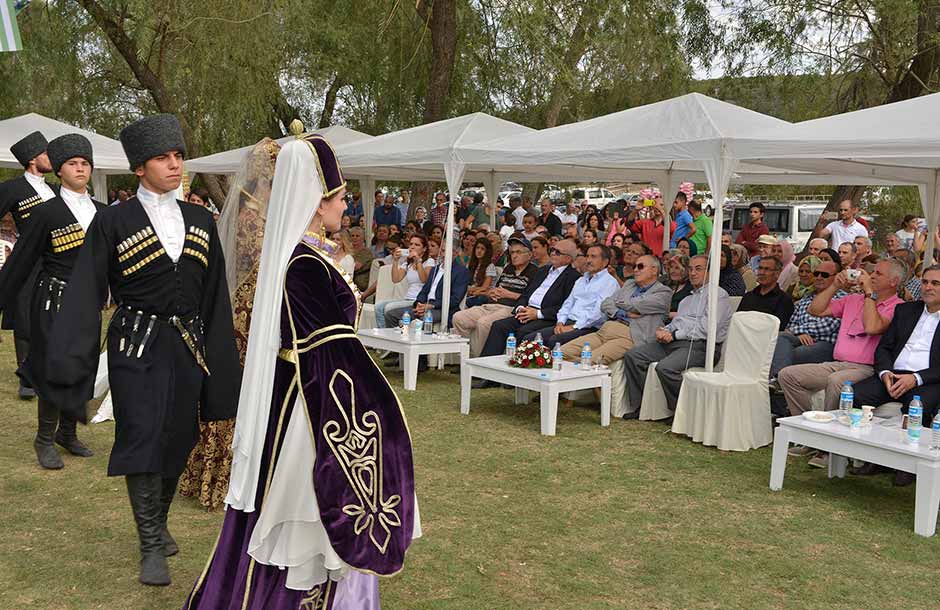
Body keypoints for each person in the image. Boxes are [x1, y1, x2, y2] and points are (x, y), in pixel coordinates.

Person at [185, 133, 418, 609]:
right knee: (305, 512)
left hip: (299, 394)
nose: (344, 205)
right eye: (339, 197)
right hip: (307, 407)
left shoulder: (306, 254)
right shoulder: (305, 264)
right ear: (316, 203)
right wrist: (378, 409)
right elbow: (329, 349)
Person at [46, 114, 240, 586]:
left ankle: (159, 518)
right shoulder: (114, 221)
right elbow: (88, 289)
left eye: (178, 156)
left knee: (179, 439)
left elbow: (215, 295)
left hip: (188, 346)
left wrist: (222, 363)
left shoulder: (200, 220)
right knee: (141, 437)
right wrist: (70, 356)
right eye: (163, 158)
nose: (175, 166)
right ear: (139, 168)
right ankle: (150, 542)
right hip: (136, 345)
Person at [181, 137, 281, 511]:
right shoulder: (250, 215)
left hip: (264, 309)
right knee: (237, 388)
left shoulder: (270, 211)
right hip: (246, 312)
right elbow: (258, 266)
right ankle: (218, 473)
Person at [0, 134, 105, 469]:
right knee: (53, 366)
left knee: (82, 365)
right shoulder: (47, 213)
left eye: (85, 163)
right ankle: (44, 438)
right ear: (59, 170)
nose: (80, 169)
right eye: (73, 163)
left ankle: (68, 433)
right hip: (52, 299)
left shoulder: (103, 214)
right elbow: (22, 261)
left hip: (88, 303)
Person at [849, 265, 940, 485]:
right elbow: (884, 348)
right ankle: (871, 457)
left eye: (935, 283)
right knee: (856, 395)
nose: (928, 287)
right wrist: (885, 373)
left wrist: (916, 378)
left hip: (927, 379)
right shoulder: (906, 310)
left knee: (919, 408)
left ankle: (907, 465)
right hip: (893, 374)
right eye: (925, 282)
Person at [778, 259, 906, 416]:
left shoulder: (898, 307)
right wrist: (834, 286)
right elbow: (815, 310)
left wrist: (868, 293)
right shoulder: (853, 299)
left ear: (894, 281)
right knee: (788, 375)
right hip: (837, 363)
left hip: (866, 369)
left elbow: (872, 327)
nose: (871, 276)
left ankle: (828, 432)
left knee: (837, 381)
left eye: (878, 273)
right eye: (872, 272)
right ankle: (806, 424)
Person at [623, 255, 733, 415]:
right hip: (675, 342)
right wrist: (665, 330)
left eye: (698, 269)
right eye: (690, 269)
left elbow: (707, 328)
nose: (693, 273)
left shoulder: (717, 294)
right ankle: (642, 407)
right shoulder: (686, 299)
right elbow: (677, 323)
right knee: (633, 356)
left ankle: (684, 413)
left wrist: (674, 335)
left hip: (701, 346)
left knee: (666, 368)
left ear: (710, 272)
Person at [0, 131, 58, 400]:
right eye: (47, 154)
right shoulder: (12, 189)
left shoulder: (56, 190)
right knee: (24, 315)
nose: (52, 159)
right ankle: (25, 375)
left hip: (57, 260)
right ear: (33, 159)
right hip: (28, 260)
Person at [561, 254, 671, 370]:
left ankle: (587, 377)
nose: (635, 270)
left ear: (654, 270)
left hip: (630, 335)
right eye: (634, 266)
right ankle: (582, 372)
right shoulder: (630, 284)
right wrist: (622, 312)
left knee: (589, 361)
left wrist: (618, 302)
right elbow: (605, 303)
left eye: (640, 266)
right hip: (605, 330)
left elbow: (636, 305)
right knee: (561, 353)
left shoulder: (663, 292)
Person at [477, 239, 580, 359]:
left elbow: (564, 307)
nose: (552, 253)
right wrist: (520, 308)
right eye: (552, 250)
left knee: (523, 332)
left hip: (545, 317)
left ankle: (517, 367)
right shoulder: (542, 271)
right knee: (499, 326)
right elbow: (526, 294)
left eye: (557, 252)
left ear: (568, 258)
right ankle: (488, 369)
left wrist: (537, 314)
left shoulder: (573, 277)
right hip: (526, 311)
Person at [452, 236, 539, 357]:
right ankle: (464, 358)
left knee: (483, 323)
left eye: (518, 252)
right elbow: (497, 288)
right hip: (491, 304)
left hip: (510, 308)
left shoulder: (535, 272)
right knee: (459, 317)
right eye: (512, 252)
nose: (514, 255)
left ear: (529, 255)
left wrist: (509, 294)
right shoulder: (508, 268)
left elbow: (531, 298)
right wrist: (492, 292)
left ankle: (477, 362)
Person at [770, 259, 844, 382]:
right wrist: (800, 334)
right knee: (780, 337)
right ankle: (777, 380)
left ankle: (778, 380)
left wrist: (798, 331)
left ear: (836, 277)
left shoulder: (842, 298)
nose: (819, 277)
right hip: (800, 339)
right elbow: (790, 325)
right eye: (816, 273)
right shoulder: (806, 298)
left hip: (825, 344)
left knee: (790, 353)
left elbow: (828, 326)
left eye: (824, 275)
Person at [536, 244, 619, 347]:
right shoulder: (581, 280)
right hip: (567, 322)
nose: (588, 260)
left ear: (605, 262)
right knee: (533, 338)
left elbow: (598, 314)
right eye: (587, 256)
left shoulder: (610, 283)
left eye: (593, 257)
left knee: (554, 341)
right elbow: (567, 304)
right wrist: (560, 322)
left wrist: (574, 327)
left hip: (588, 327)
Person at [373, 234, 435, 328]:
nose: (412, 247)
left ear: (424, 249)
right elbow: (396, 279)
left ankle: (389, 333)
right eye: (411, 244)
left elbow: (424, 280)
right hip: (407, 298)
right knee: (378, 306)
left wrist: (418, 261)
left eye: (417, 245)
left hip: (417, 300)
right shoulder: (408, 262)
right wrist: (395, 261)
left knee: (388, 308)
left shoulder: (429, 261)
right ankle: (384, 333)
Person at [738, 256, 794, 330]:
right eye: (760, 268)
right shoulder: (748, 296)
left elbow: (778, 328)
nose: (761, 273)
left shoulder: (784, 300)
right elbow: (738, 320)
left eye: (767, 269)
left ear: (777, 273)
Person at [465, 236, 498, 306]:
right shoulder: (471, 264)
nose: (479, 251)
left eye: (482, 249)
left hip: (485, 295)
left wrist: (470, 289)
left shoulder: (490, 266)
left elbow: (485, 287)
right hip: (472, 292)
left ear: (487, 251)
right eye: (477, 248)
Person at [348, 226, 374, 291]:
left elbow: (356, 266)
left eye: (357, 236)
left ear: (363, 238)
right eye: (352, 235)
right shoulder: (346, 250)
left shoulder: (366, 252)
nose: (354, 238)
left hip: (360, 284)